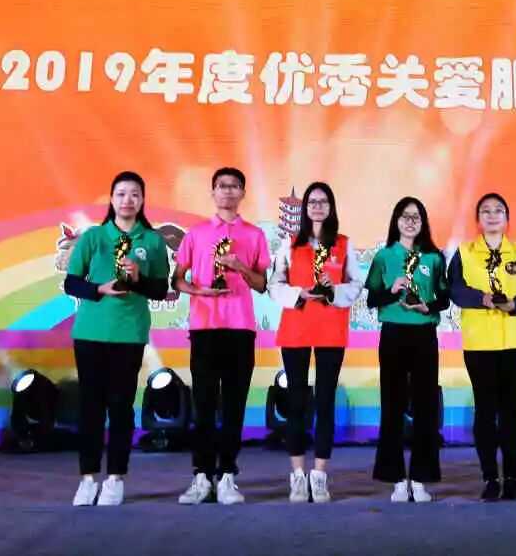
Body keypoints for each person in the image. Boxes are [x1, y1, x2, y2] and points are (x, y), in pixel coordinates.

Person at [65, 171, 171, 507]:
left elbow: (160, 288)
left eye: (135, 194)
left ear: (143, 200)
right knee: (90, 407)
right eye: (121, 193)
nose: (128, 200)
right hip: (90, 333)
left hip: (129, 334)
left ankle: (115, 478)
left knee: (121, 407)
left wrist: (137, 280)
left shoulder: (152, 241)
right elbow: (71, 282)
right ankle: (87, 478)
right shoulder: (94, 237)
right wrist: (99, 289)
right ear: (111, 199)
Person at [174, 167, 271, 506]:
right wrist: (198, 291)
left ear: (243, 192)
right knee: (203, 404)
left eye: (234, 186)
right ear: (212, 192)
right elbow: (177, 279)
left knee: (234, 405)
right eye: (221, 186)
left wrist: (240, 267)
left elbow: (262, 285)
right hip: (204, 329)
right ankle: (201, 475)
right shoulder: (197, 234)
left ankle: (227, 474)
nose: (227, 191)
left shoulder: (254, 235)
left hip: (240, 329)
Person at [270, 181, 363, 503]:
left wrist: (333, 291)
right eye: (312, 202)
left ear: (331, 207)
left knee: (325, 401)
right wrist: (299, 294)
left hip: (331, 330)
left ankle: (320, 475)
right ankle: (297, 474)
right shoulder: (290, 244)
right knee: (295, 402)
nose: (317, 207)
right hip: (295, 329)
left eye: (323, 201)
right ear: (305, 208)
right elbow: (275, 284)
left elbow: (356, 284)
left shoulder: (343, 244)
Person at [448, 193, 516, 501]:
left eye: (498, 210)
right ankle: (490, 478)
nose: (492, 216)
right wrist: (482, 299)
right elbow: (455, 290)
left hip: (514, 342)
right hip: (479, 344)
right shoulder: (465, 253)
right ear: (478, 220)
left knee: (512, 411)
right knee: (485, 410)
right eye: (486, 211)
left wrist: (515, 306)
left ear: (507, 219)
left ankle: (512, 479)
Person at [365, 197, 449, 502]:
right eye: (405, 216)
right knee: (392, 405)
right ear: (396, 221)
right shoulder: (384, 256)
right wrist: (391, 291)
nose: (410, 222)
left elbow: (444, 299)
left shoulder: (434, 258)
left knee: (426, 407)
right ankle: (397, 478)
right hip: (393, 334)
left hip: (424, 334)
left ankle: (421, 478)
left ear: (423, 222)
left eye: (416, 217)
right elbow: (372, 299)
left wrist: (429, 306)